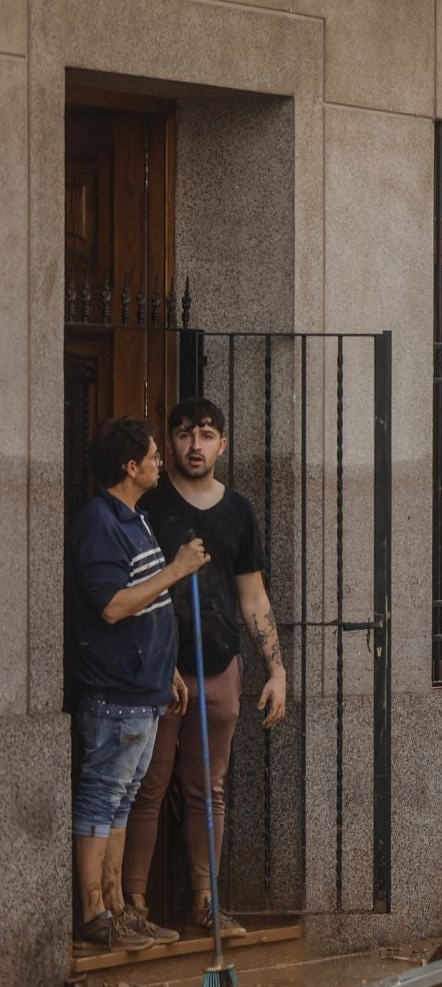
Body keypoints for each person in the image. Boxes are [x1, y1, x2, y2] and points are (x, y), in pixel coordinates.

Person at [125, 397, 288, 941]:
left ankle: (206, 902)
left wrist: (276, 669)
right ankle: (133, 905)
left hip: (219, 667)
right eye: (184, 434)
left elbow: (254, 598)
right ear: (168, 442)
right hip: (158, 671)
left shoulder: (238, 511)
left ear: (223, 444)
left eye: (207, 435)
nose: (195, 445)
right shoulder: (150, 506)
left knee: (209, 789)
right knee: (148, 785)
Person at [67, 417, 206, 951]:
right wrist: (176, 569)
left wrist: (166, 667)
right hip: (114, 694)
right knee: (102, 797)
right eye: (152, 456)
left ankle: (118, 909)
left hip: (144, 689)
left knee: (121, 799)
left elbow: (145, 602)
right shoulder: (100, 522)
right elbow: (111, 605)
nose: (160, 463)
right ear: (130, 467)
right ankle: (94, 913)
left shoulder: (134, 518)